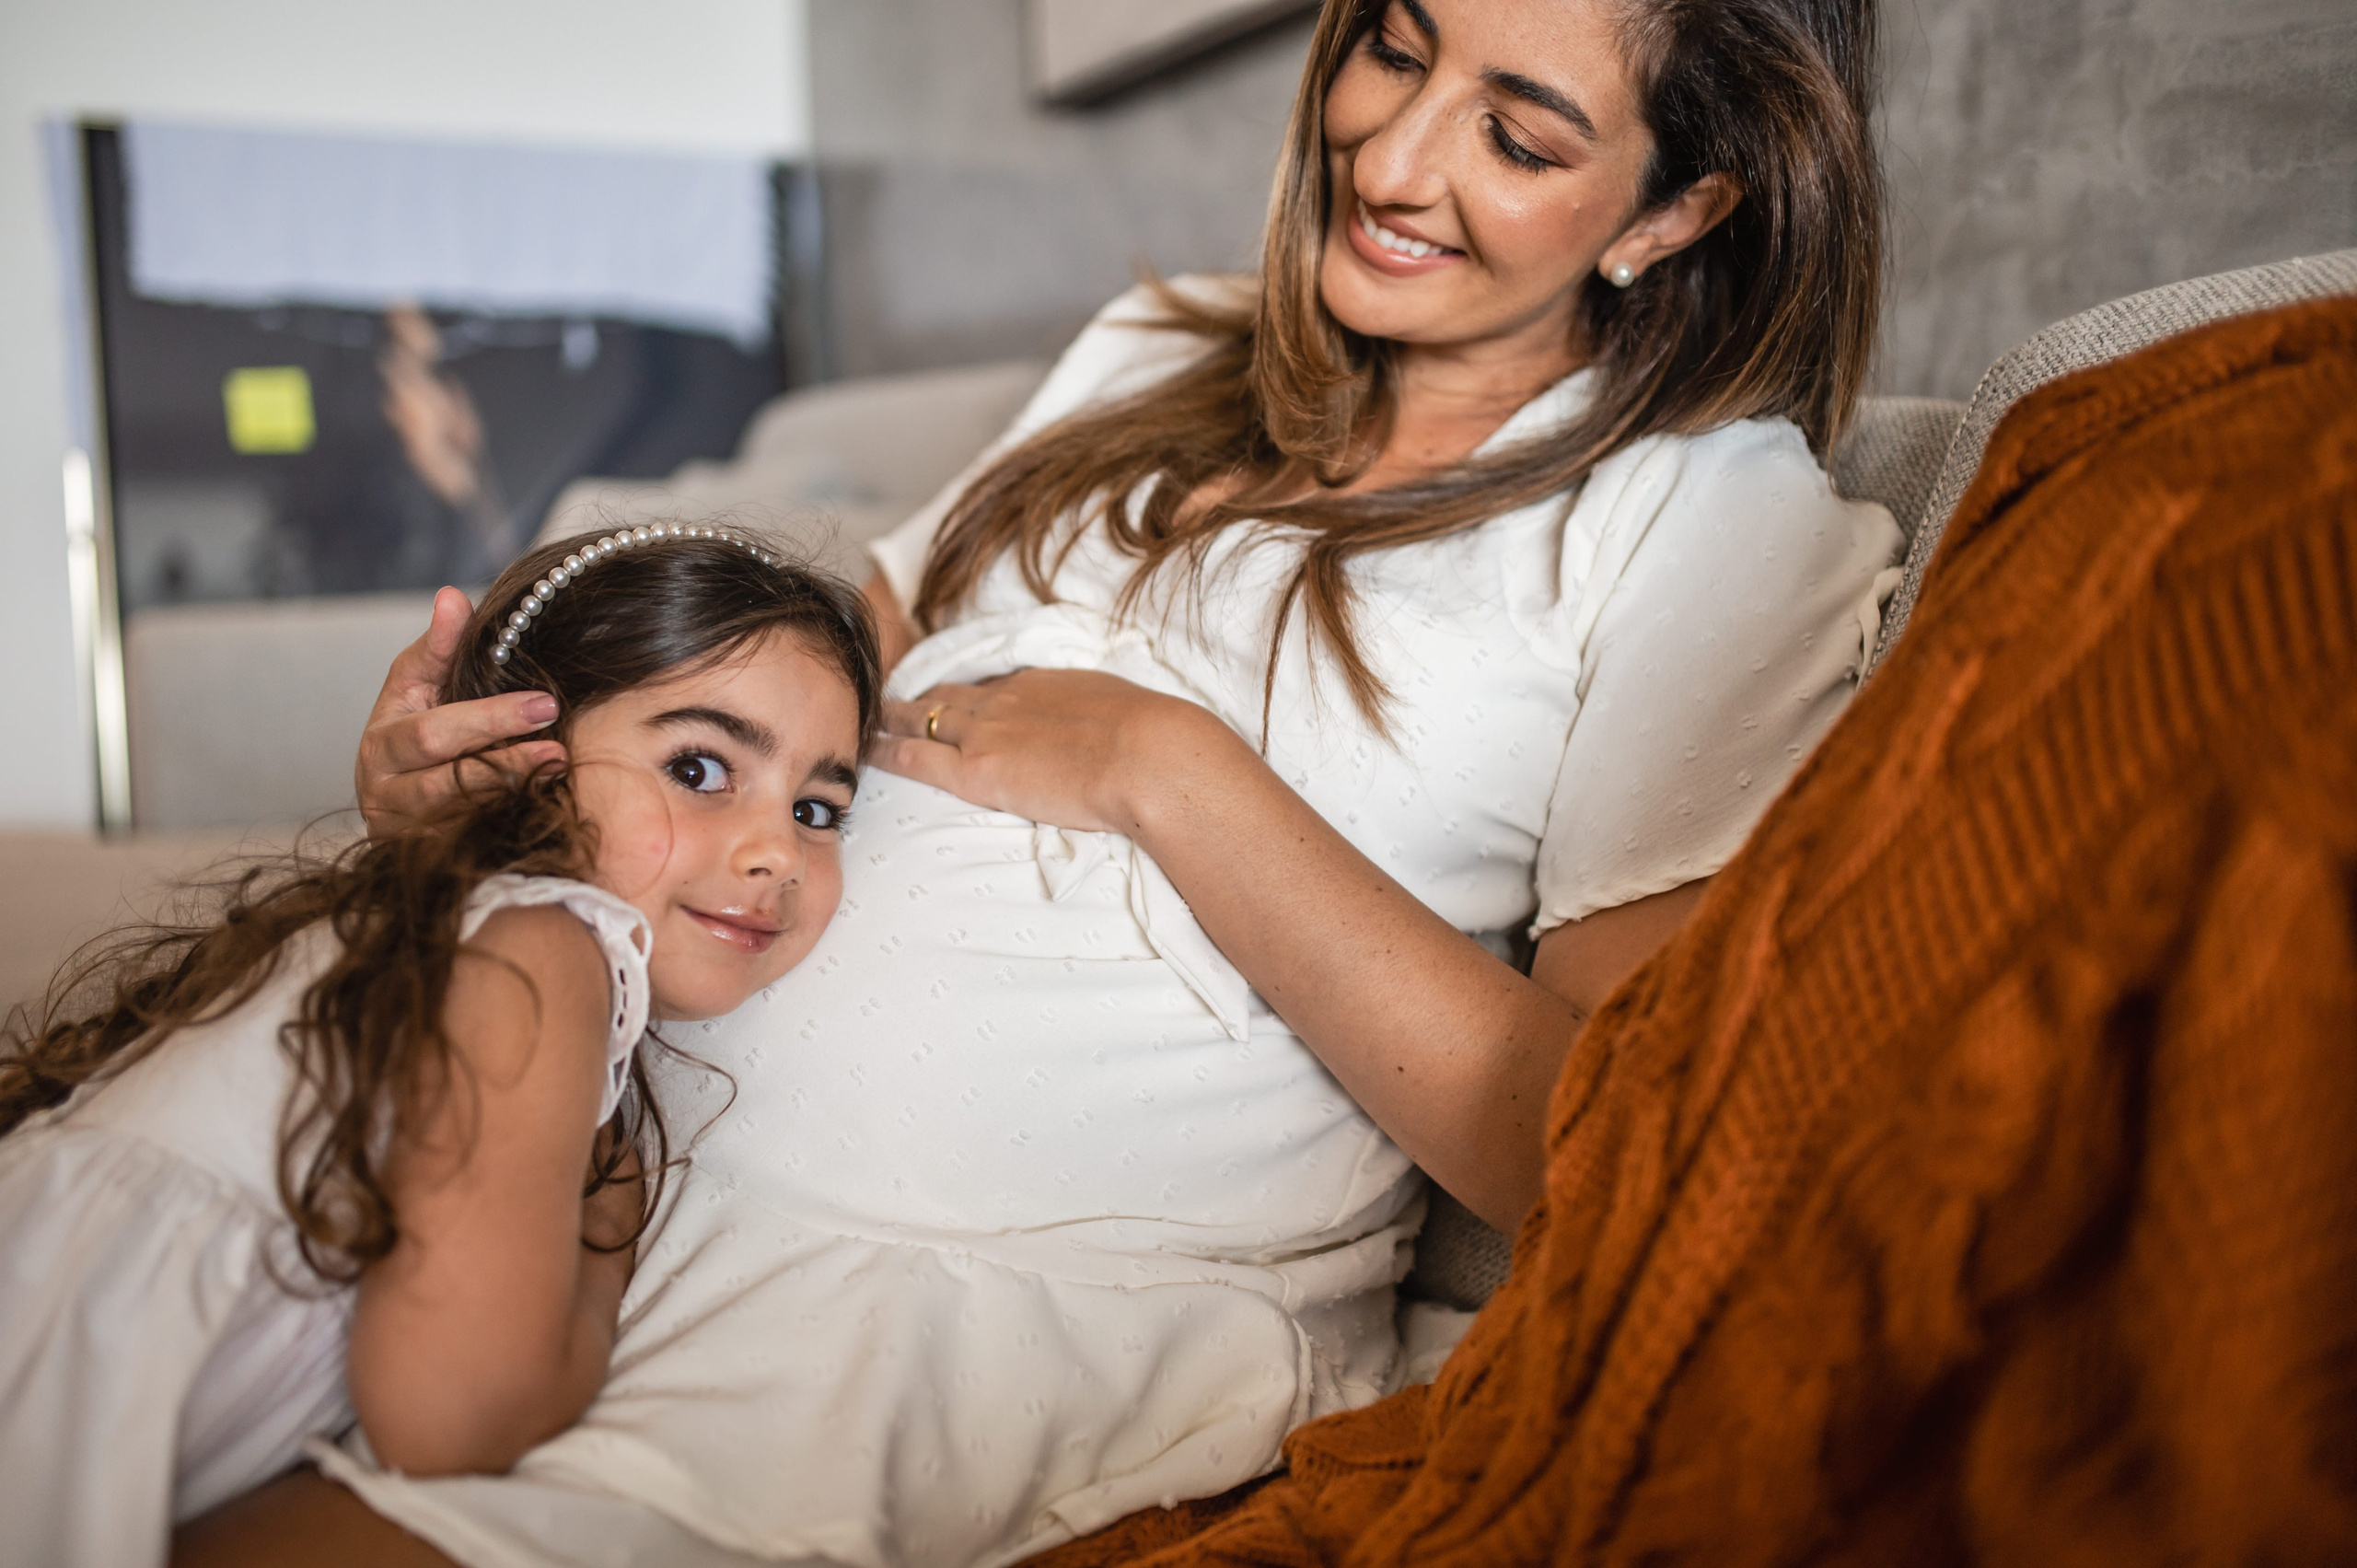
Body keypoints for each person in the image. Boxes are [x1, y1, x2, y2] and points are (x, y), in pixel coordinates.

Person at [266, 0, 1903, 1562]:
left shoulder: (1705, 526)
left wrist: (1169, 771)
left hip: (948, 1302)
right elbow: (786, 704)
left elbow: (1611, 1146)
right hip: (582, 1112)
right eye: (1393, 51)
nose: (1394, 162)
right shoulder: (1148, 350)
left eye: (1520, 140)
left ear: (1679, 208)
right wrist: (471, 807)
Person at [0, 526, 880, 1568]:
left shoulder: (452, 930)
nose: (775, 848)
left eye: (819, 806)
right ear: (512, 762)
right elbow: (451, 1414)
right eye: (698, 765)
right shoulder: (545, 948)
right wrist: (603, 1243)